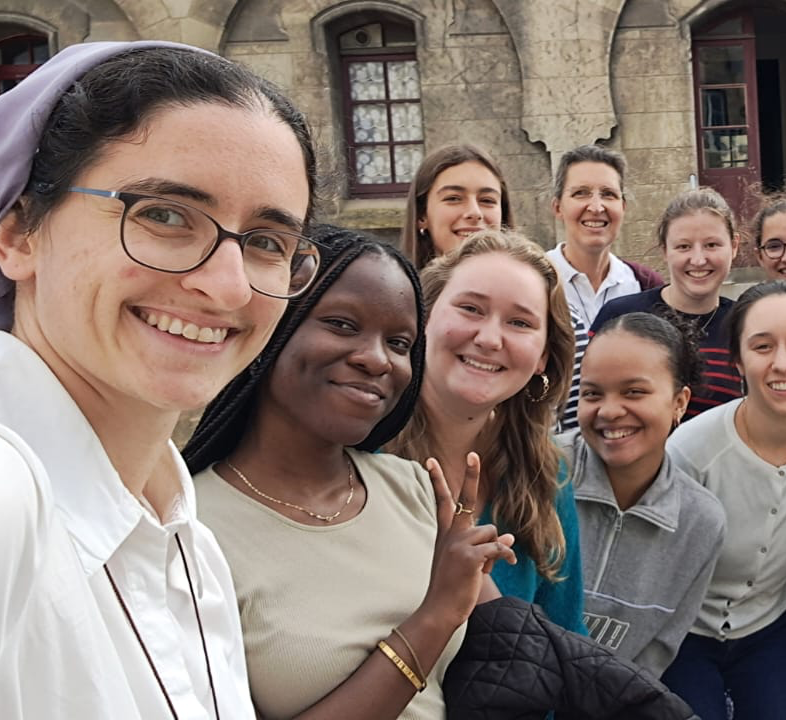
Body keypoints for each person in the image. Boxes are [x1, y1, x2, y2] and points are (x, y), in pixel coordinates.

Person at [0, 42, 318, 717]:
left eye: (266, 242)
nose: (228, 287)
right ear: (17, 233)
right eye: (164, 215)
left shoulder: (188, 545)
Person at [184, 225, 515, 719]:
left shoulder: (412, 489)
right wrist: (435, 617)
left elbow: (510, 662)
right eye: (342, 324)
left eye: (400, 342)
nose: (376, 359)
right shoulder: (190, 530)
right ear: (276, 324)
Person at [663, 280, 786, 720]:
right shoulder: (691, 450)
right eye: (762, 347)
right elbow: (658, 573)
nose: (783, 364)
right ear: (737, 360)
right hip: (684, 635)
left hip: (768, 630)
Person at [388, 229, 587, 634]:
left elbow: (564, 635)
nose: (489, 338)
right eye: (471, 309)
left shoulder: (546, 474)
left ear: (542, 358)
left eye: (519, 322)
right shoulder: (358, 450)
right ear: (424, 317)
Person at [570, 311, 726, 676]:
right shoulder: (539, 473)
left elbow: (655, 657)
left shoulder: (701, 522)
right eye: (592, 393)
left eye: (634, 392)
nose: (609, 411)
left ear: (679, 403)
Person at [397, 143, 590, 432]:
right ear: (422, 215)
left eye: (487, 200)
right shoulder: (390, 311)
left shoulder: (559, 317)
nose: (474, 212)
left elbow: (568, 428)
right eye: (453, 198)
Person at [592, 187, 743, 420]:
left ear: (734, 246)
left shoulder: (745, 326)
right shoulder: (620, 316)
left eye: (712, 245)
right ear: (665, 250)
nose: (699, 259)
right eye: (683, 246)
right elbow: (588, 397)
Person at [547, 143, 664, 328]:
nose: (596, 207)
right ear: (557, 207)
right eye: (581, 193)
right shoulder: (533, 278)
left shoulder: (646, 285)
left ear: (623, 207)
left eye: (608, 194)